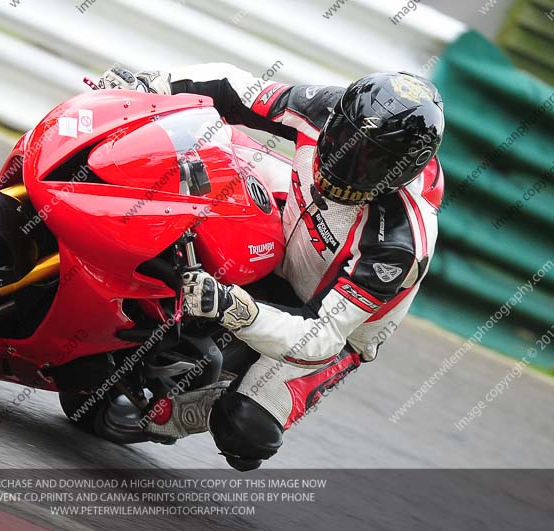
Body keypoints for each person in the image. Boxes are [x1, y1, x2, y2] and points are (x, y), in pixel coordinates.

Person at [99, 64, 445, 471]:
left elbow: (322, 335)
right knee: (195, 155)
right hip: (286, 228)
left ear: (404, 172)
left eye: (370, 162)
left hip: (328, 323)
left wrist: (234, 309)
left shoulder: (398, 243)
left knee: (246, 427)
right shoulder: (325, 106)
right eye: (344, 139)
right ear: (338, 116)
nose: (345, 162)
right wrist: (152, 85)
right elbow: (231, 87)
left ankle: (211, 395)